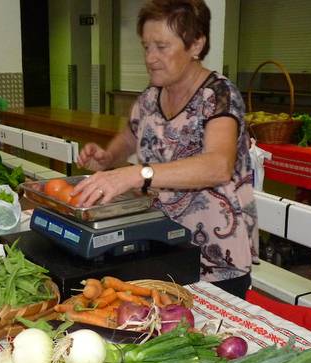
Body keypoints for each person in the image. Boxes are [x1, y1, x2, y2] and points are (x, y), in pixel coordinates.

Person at [73, 0, 258, 299]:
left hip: (213, 258)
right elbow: (132, 136)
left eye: (162, 46)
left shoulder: (219, 95)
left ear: (196, 44)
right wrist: (108, 157)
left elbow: (218, 165)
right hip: (161, 243)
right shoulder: (150, 96)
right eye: (146, 47)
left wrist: (138, 174)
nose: (151, 58)